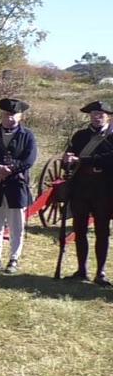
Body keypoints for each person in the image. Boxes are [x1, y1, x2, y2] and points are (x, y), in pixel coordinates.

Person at [0, 97, 37, 274]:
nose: (9, 118)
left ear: (20, 117)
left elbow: (29, 159)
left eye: (13, 115)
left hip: (16, 185)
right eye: (6, 114)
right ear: (1, 115)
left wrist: (9, 170)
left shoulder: (28, 136)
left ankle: (14, 259)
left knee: (16, 225)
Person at [62, 100, 113, 285]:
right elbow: (68, 159)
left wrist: (84, 160)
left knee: (102, 231)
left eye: (100, 114)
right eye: (93, 114)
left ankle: (100, 272)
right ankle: (81, 269)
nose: (97, 117)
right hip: (81, 189)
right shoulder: (80, 136)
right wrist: (67, 159)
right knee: (80, 230)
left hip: (104, 190)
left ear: (108, 116)